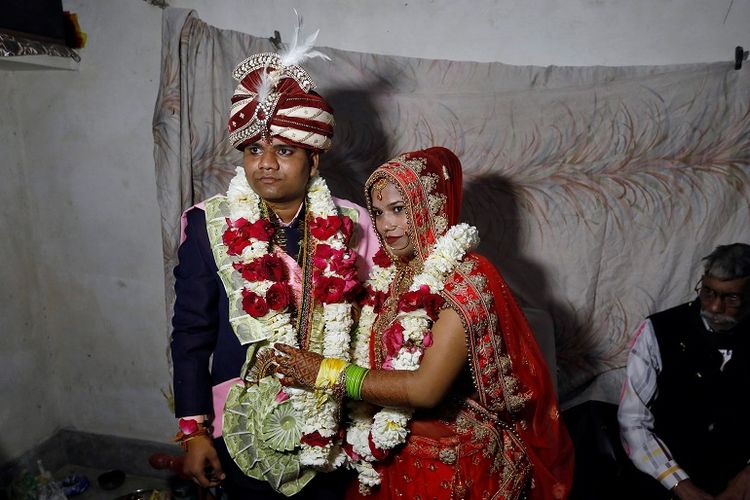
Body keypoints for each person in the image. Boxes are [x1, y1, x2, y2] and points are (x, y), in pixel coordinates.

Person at [275, 147, 575, 499]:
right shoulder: (393, 275)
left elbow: (425, 389)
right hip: (391, 456)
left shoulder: (464, 278)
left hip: (456, 463)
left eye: (399, 209)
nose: (386, 225)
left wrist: (326, 373)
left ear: (430, 207)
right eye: (380, 212)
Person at [170, 36, 378, 498]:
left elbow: (374, 324)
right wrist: (195, 431)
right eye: (253, 150)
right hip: (238, 424)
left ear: (313, 158)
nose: (264, 164)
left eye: (283, 150)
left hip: (333, 420)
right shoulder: (209, 225)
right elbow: (190, 333)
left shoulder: (352, 223)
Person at [618, 243, 750, 499]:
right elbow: (632, 422)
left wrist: (746, 477)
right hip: (666, 477)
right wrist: (681, 485)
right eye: (708, 292)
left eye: (731, 298)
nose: (713, 307)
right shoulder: (657, 330)